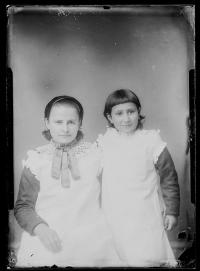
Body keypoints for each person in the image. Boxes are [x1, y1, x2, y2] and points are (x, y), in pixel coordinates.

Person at [14, 95, 123, 267]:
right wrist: (40, 228)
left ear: (80, 123)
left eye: (71, 122)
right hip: (49, 237)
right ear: (47, 123)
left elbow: (116, 192)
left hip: (90, 240)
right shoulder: (36, 159)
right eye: (58, 122)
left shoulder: (96, 154)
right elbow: (23, 207)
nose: (65, 129)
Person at [96, 89, 180, 267]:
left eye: (131, 112)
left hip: (144, 212)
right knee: (118, 256)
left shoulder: (151, 140)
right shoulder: (103, 143)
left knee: (146, 256)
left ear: (139, 111)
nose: (126, 119)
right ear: (109, 117)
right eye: (119, 113)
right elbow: (91, 179)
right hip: (114, 213)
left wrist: (172, 211)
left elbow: (169, 177)